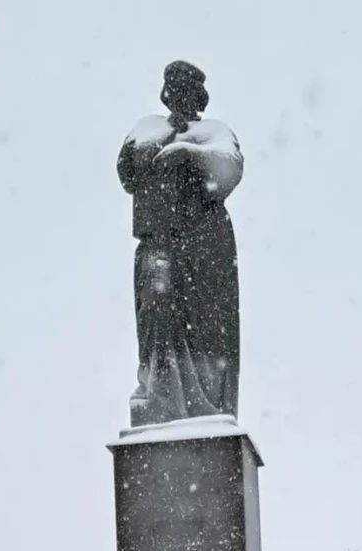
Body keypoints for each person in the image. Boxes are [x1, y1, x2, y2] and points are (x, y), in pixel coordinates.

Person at [117, 60, 243, 427]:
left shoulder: (214, 131)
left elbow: (230, 167)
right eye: (173, 88)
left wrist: (188, 152)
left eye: (186, 89)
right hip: (157, 242)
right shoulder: (148, 129)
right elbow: (127, 172)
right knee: (156, 315)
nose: (179, 96)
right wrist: (164, 141)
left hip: (204, 248)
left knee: (206, 327)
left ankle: (205, 405)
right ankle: (161, 397)